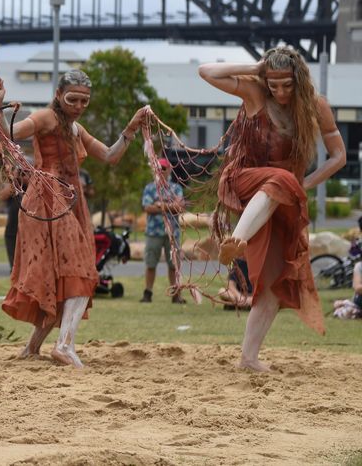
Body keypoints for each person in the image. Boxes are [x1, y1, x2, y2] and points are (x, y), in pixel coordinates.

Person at [199, 46, 345, 371]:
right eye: (273, 84)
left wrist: (305, 184)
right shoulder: (255, 93)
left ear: (299, 80)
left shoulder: (316, 105)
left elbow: (339, 156)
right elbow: (206, 71)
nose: (279, 91)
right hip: (244, 180)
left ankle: (248, 359)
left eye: (287, 85)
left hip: (282, 200)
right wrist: (255, 68)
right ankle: (235, 241)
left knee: (274, 285)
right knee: (280, 178)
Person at [0, 72, 148, 368]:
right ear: (58, 94)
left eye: (84, 101)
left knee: (64, 274)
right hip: (48, 199)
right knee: (82, 271)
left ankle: (33, 347)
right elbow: (11, 133)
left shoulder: (75, 128)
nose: (78, 106)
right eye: (72, 99)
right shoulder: (46, 117)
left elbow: (110, 155)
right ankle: (64, 346)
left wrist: (131, 129)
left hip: (67, 199)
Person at [140, 158, 187, 304]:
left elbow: (180, 207)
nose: (161, 171)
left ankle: (176, 294)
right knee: (150, 264)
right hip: (153, 233)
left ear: (169, 170)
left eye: (164, 168)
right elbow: (147, 208)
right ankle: (147, 293)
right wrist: (170, 206)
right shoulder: (149, 188)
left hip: (173, 233)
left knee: (174, 266)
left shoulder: (176, 188)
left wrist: (160, 205)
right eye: (158, 168)